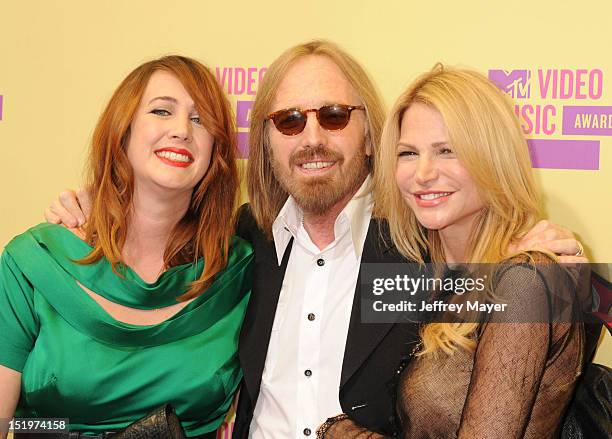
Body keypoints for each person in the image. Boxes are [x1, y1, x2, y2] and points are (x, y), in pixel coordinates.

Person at [43, 41, 587, 439]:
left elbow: (532, 326)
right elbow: (147, 245)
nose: (312, 137)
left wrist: (568, 271)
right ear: (266, 141)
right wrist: (96, 206)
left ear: (370, 134)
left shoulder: (423, 244)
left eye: (333, 115)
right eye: (288, 121)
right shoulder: (238, 245)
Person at [317, 66, 586, 438]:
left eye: (447, 151)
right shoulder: (421, 269)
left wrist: (342, 434)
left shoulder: (525, 281)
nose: (423, 173)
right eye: (408, 153)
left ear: (491, 158)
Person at [0, 55, 252, 438]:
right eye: (161, 111)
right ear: (124, 130)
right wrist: (58, 432)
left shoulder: (240, 268)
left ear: (216, 150)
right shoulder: (32, 262)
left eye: (200, 120)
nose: (182, 130)